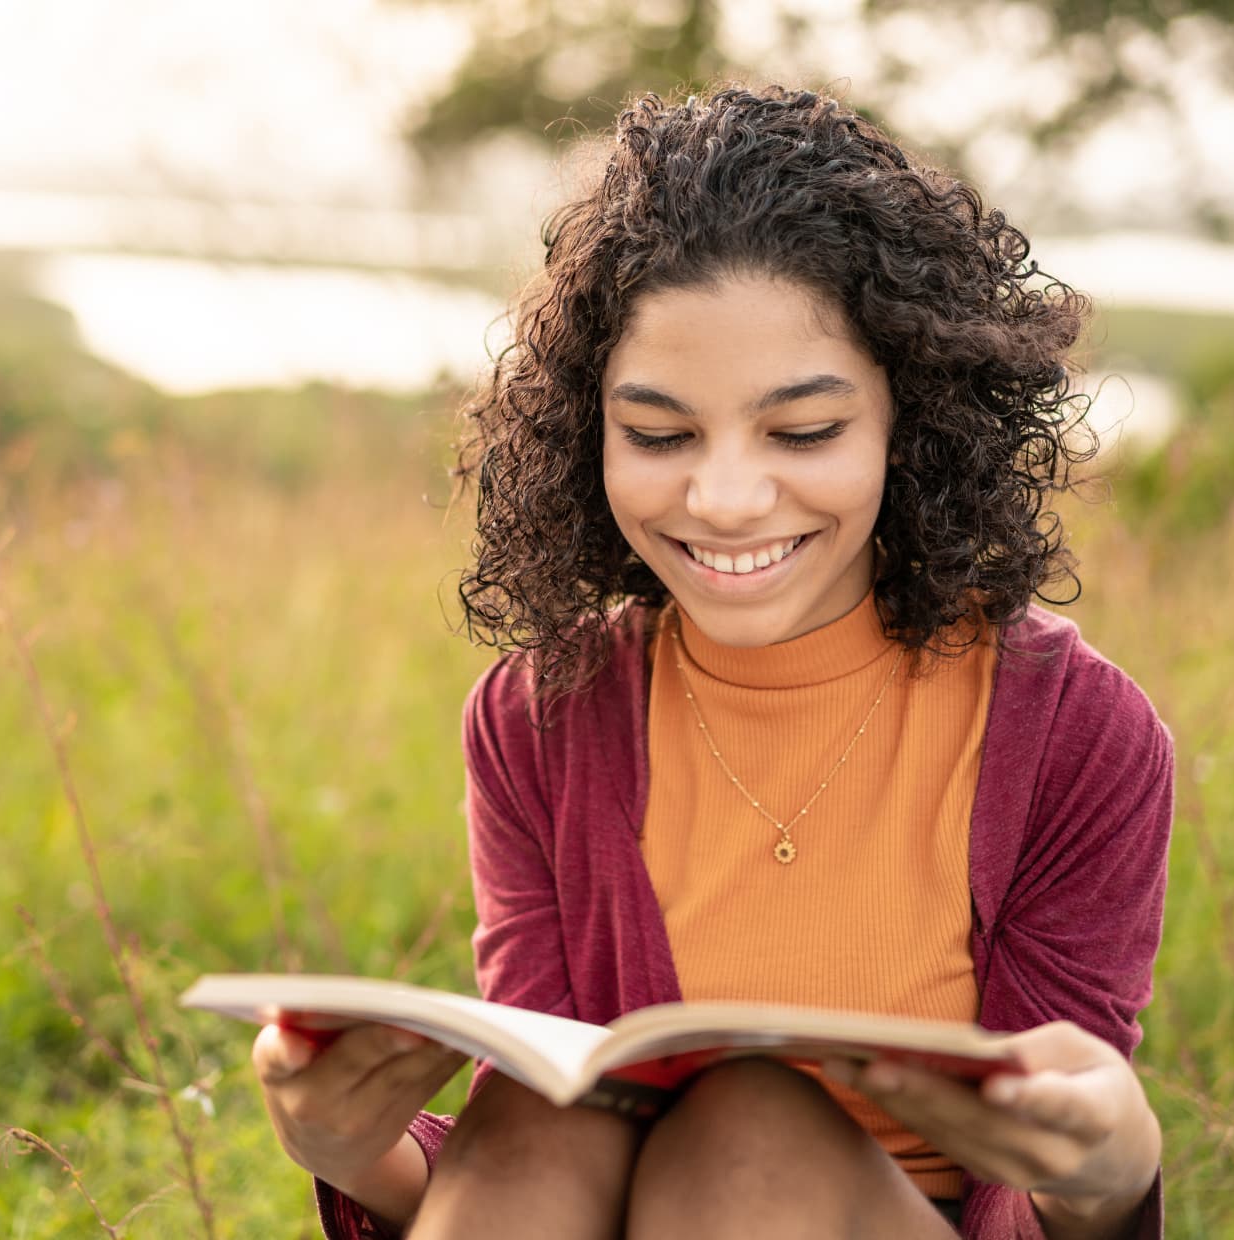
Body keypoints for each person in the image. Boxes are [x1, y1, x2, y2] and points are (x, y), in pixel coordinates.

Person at [253, 84, 1172, 1239]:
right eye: (657, 433)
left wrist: (1106, 1159)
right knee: (545, 1113)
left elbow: (1054, 1192)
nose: (725, 499)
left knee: (747, 1119)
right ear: (590, 433)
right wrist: (352, 1148)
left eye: (802, 432)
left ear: (911, 417)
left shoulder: (1076, 735)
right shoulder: (541, 720)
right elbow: (527, 1167)